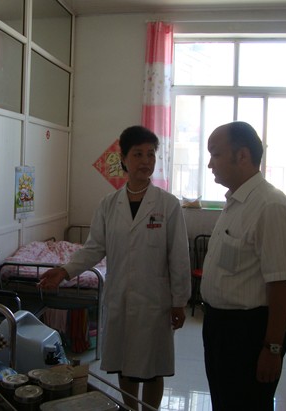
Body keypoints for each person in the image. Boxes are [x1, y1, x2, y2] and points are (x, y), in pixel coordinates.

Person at [38, 125, 191, 411]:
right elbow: (94, 248)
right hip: (119, 296)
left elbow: (179, 257)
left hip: (155, 300)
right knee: (125, 364)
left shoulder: (168, 205)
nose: (145, 161)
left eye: (151, 154)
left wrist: (179, 301)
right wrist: (64, 271)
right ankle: (130, 408)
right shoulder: (109, 204)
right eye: (138, 154)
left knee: (154, 366)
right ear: (123, 159)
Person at [200, 121, 286, 411]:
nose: (210, 164)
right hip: (219, 327)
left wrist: (272, 348)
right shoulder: (235, 203)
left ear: (242, 155)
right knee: (224, 403)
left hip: (247, 334)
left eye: (215, 154)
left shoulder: (270, 206)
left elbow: (280, 284)